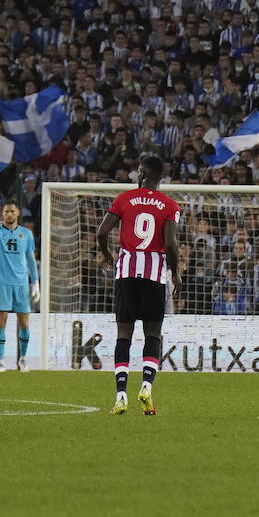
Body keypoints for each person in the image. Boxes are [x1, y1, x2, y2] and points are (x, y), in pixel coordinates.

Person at [94, 154, 180, 416]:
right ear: (160, 180)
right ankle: (146, 388)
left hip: (126, 274)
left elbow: (101, 232)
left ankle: (121, 395)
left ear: (142, 174)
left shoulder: (124, 199)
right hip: (153, 275)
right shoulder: (169, 205)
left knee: (124, 335)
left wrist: (109, 255)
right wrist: (174, 273)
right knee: (153, 334)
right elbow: (172, 244)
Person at [0, 202, 39, 372]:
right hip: (3, 283)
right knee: (1, 321)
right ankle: (0, 361)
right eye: (6, 211)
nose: (9, 214)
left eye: (12, 211)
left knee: (24, 323)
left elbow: (30, 259)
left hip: (21, 283)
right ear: (2, 214)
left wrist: (35, 282)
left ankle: (23, 359)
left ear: (18, 213)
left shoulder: (26, 234)